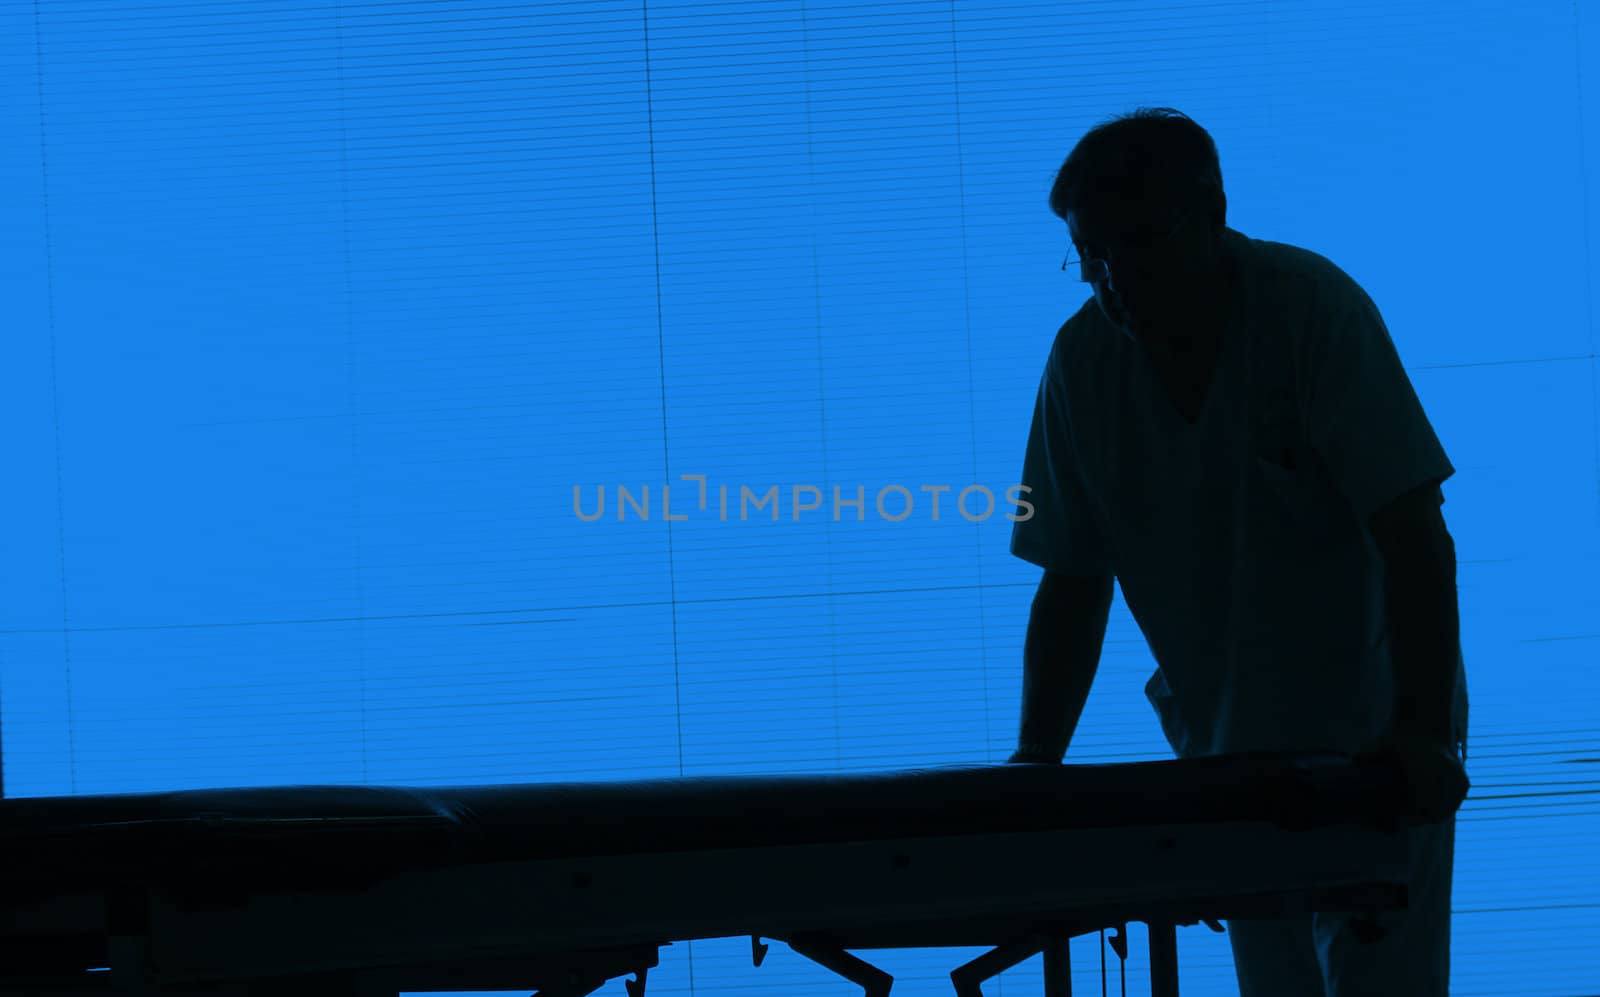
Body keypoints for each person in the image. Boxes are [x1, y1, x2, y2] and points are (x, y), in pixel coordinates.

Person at [1006, 107, 1471, 997]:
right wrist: (1035, 766)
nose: (1116, 280)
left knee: (1384, 981)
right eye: (1091, 254)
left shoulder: (1310, 310)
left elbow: (1414, 534)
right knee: (1275, 984)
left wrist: (1419, 732)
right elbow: (1070, 579)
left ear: (1213, 211)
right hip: (1228, 746)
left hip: (1375, 727)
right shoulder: (1081, 362)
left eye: (1140, 243)